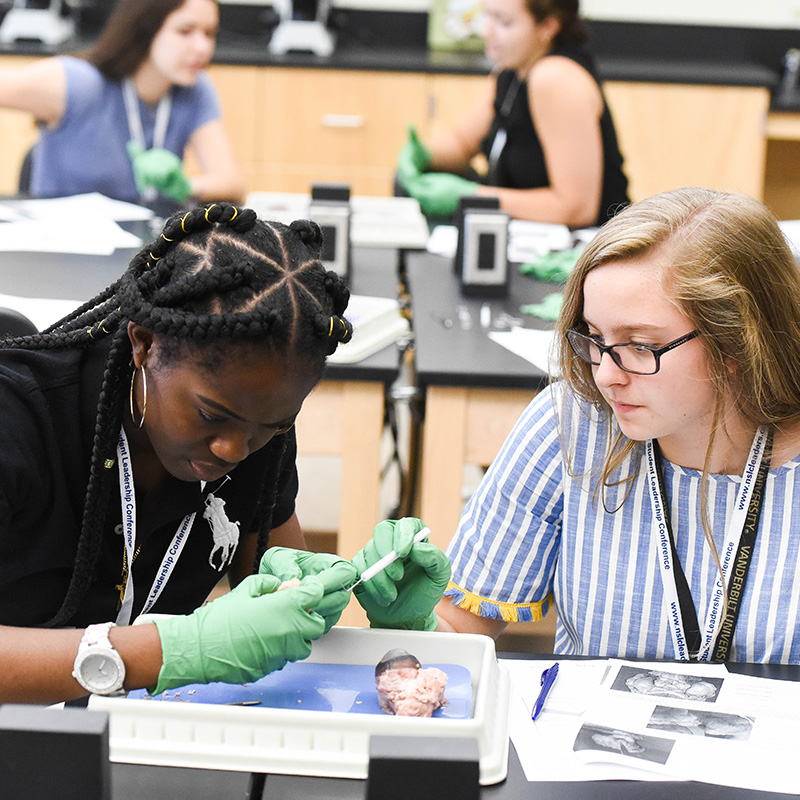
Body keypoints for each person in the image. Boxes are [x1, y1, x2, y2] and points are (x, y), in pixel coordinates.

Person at [345, 188, 800, 664]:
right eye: (595, 337)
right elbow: (462, 630)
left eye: (640, 345)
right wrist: (413, 619)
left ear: (737, 342)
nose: (604, 374)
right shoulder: (571, 423)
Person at [0, 201, 373, 704]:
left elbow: (277, 588)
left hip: (142, 742)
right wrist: (169, 651)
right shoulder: (19, 422)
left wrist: (346, 605)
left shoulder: (254, 432)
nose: (234, 449)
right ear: (144, 343)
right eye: (211, 415)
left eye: (275, 424)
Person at [396, 0, 629, 227]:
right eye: (486, 15)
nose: (485, 31)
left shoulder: (556, 78)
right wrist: (422, 154)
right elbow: (463, 142)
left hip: (586, 251)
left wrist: (471, 196)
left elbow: (576, 209)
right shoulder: (513, 69)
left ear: (548, 25)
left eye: (504, 22)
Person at [0, 0, 244, 208]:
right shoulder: (79, 82)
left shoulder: (194, 89)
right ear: (145, 29)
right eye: (185, 31)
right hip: (61, 248)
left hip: (146, 251)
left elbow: (233, 184)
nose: (203, 47)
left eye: (209, 33)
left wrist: (187, 186)